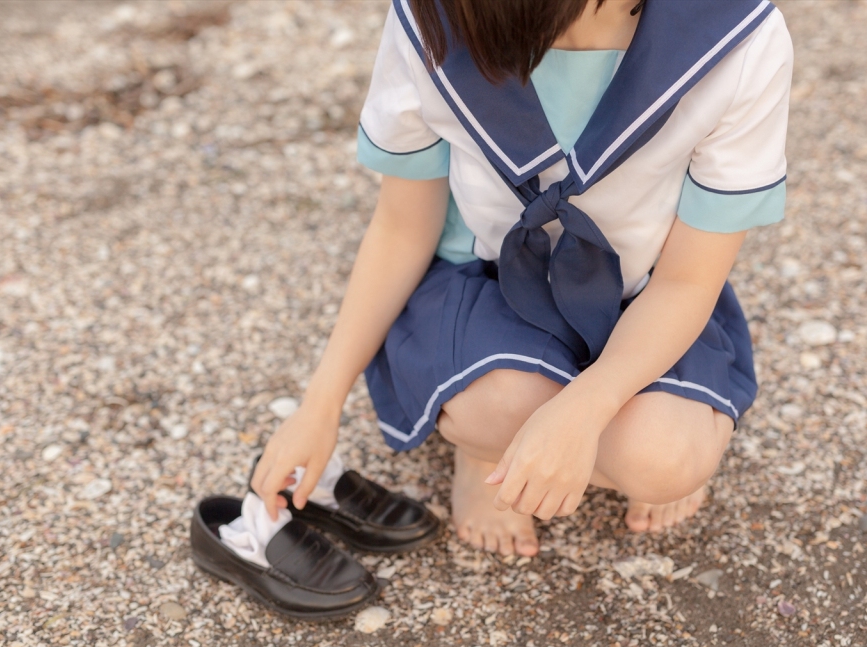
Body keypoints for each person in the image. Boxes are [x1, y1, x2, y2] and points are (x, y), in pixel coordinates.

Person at [250, 0, 792, 558]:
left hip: (645, 291)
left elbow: (687, 280)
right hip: (488, 281)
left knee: (662, 462)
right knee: (502, 407)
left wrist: (585, 408)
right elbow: (401, 229)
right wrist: (319, 406)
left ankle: (563, 433)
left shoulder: (735, 37)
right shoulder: (435, 18)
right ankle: (485, 451)